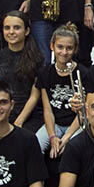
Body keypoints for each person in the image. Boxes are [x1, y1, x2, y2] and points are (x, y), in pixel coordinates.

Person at [0, 11, 44, 133]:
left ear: (26, 31)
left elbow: (34, 96)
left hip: (29, 117)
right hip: (0, 113)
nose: (11, 32)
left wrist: (19, 121)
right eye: (7, 28)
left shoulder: (38, 58)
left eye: (16, 28)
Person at [36, 24, 85, 156]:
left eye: (69, 48)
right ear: (52, 46)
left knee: (74, 149)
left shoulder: (83, 73)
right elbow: (48, 109)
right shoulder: (45, 73)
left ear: (75, 49)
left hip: (76, 125)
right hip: (54, 125)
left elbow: (83, 113)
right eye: (60, 47)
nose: (64, 52)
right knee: (35, 146)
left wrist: (67, 137)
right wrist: (52, 137)